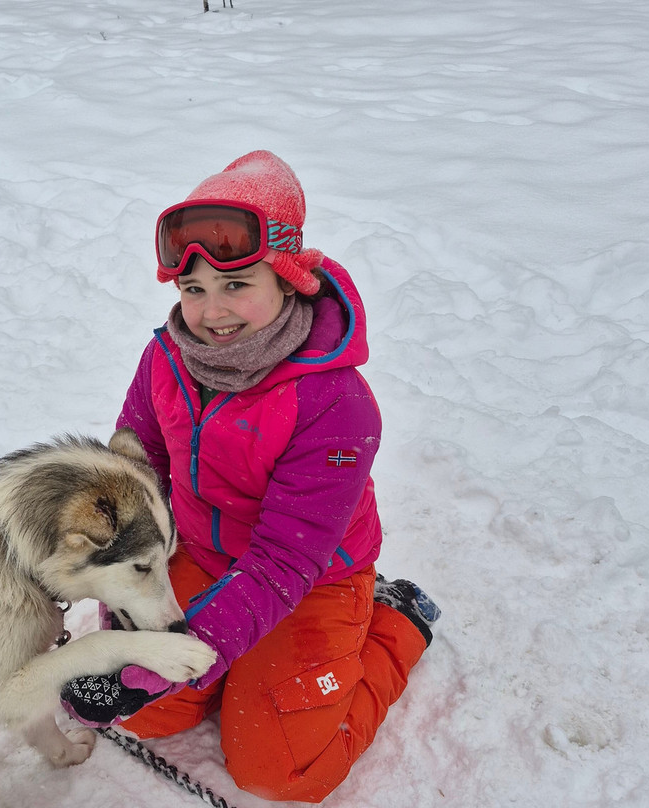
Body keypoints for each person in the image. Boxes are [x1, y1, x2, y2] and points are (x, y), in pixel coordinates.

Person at [61, 150, 440, 803]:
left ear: (289, 281)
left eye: (237, 285)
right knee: (150, 717)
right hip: (200, 555)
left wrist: (155, 666)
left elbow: (280, 566)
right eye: (194, 289)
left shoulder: (336, 405)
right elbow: (130, 483)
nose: (211, 314)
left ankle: (396, 621)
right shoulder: (164, 358)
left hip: (307, 578)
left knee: (280, 772)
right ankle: (229, 659)